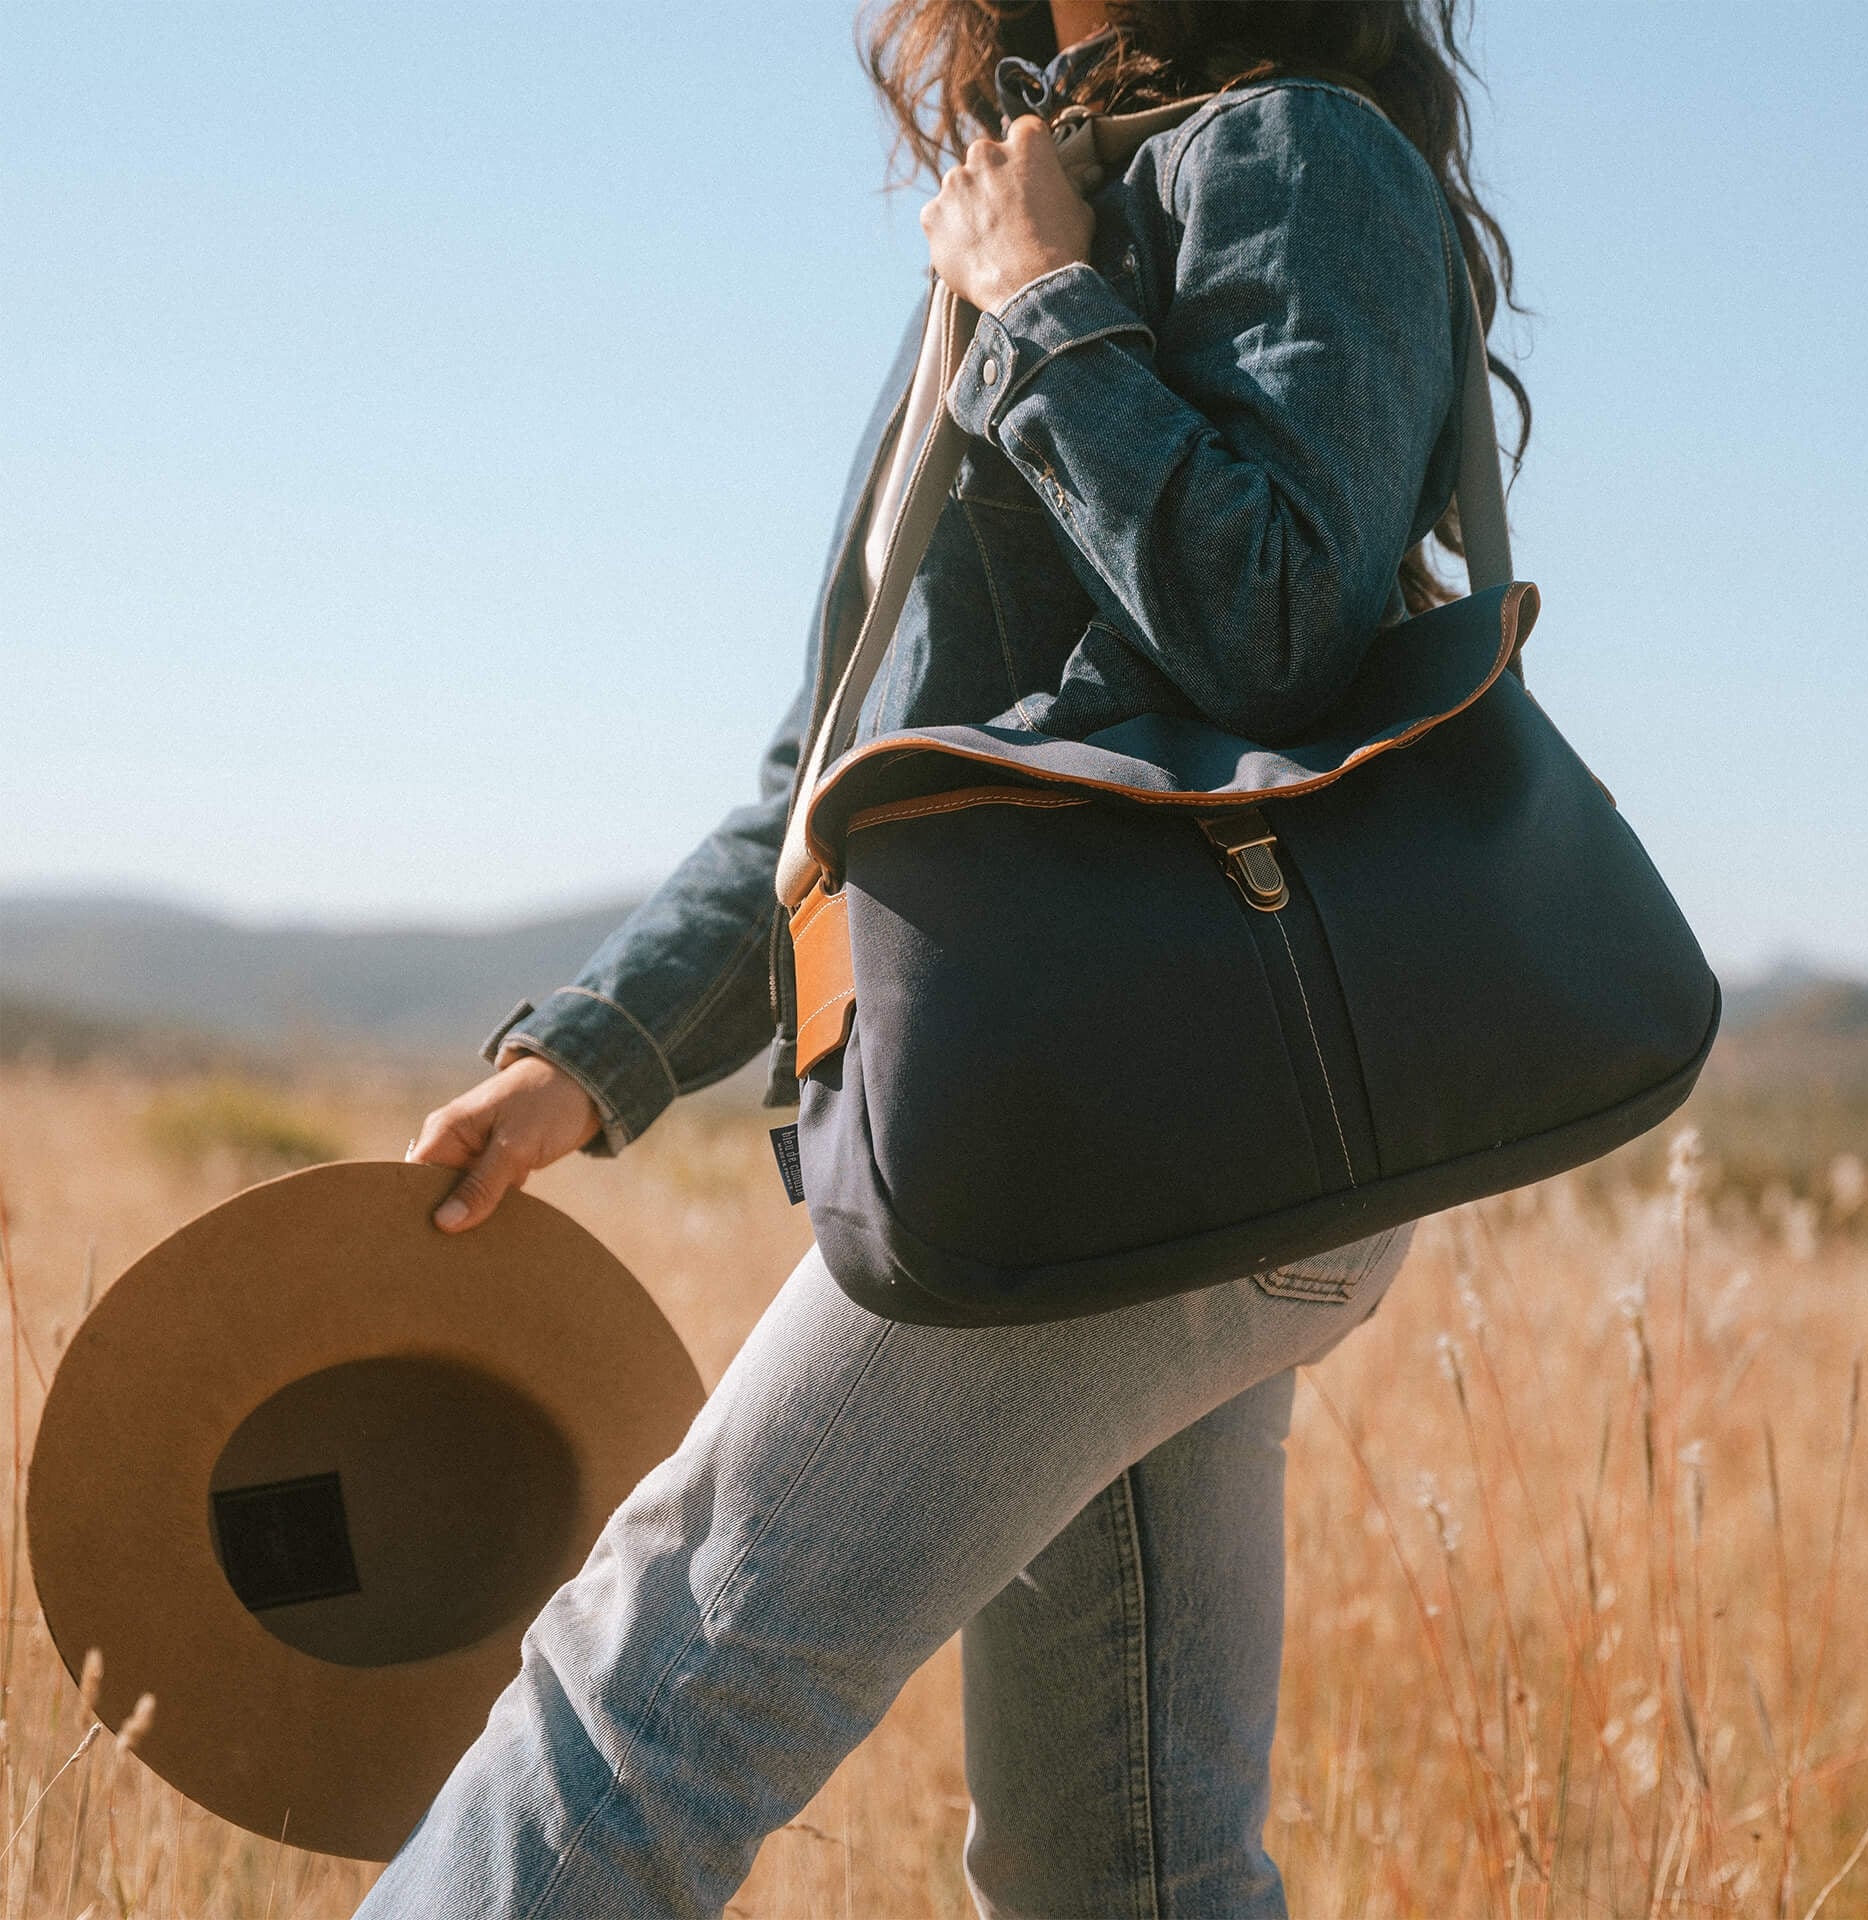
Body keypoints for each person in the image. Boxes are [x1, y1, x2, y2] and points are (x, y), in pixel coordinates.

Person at [368, 2, 1526, 1912]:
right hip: (1142, 1122)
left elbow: (1284, 622)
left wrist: (1047, 302)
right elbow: (841, 769)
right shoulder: (1039, 183)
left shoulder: (1292, 153)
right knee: (1120, 1873)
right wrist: (592, 1051)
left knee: (634, 1701)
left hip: (1116, 1118)